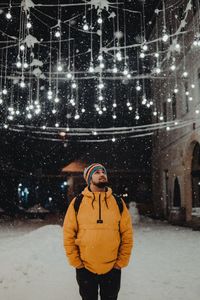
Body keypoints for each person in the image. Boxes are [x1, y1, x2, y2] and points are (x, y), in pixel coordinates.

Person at [63, 163, 133, 300]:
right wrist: (77, 263)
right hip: (85, 269)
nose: (102, 174)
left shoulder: (118, 202)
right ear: (89, 179)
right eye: (97, 172)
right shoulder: (78, 202)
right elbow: (68, 234)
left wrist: (120, 263)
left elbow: (127, 235)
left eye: (103, 172)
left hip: (112, 268)